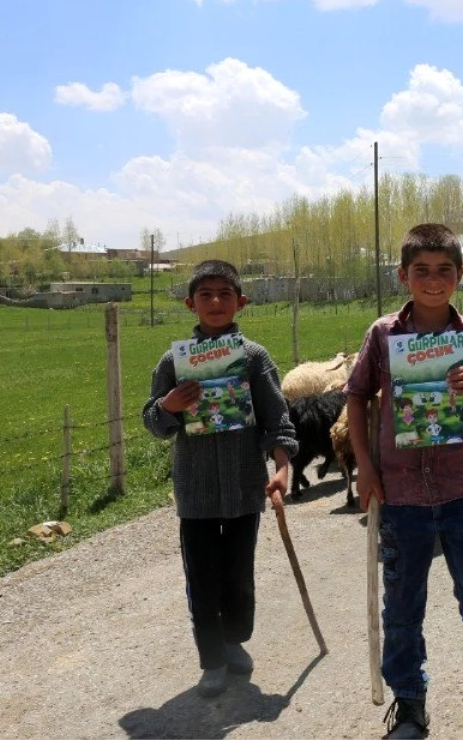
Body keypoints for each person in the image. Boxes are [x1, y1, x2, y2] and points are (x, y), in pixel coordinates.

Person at [344, 223, 463, 740]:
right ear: (403, 275)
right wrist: (366, 467)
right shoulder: (382, 336)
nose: (433, 280)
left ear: (460, 276)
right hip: (400, 496)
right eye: (422, 271)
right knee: (401, 607)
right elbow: (355, 397)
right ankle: (410, 704)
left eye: (444, 271)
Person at [142, 259, 297, 698]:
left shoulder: (253, 358)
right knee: (202, 579)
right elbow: (154, 423)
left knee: (238, 575)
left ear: (241, 303)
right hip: (195, 495)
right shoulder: (173, 361)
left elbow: (277, 420)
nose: (215, 302)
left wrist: (282, 467)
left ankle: (234, 640)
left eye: (224, 294)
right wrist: (169, 405)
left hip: (246, 490)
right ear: (190, 303)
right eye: (205, 295)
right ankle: (212, 660)